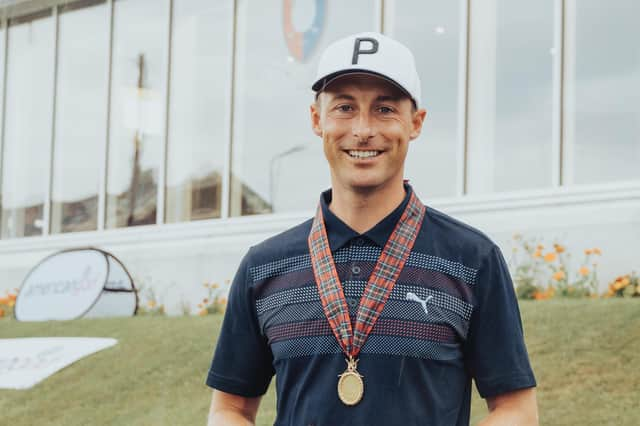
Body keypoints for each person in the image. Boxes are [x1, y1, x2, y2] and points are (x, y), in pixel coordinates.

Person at [206, 32, 538, 425]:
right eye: (345, 107)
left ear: (415, 123)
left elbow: (515, 409)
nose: (363, 129)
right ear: (317, 120)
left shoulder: (473, 260)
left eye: (384, 109)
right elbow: (230, 409)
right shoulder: (264, 267)